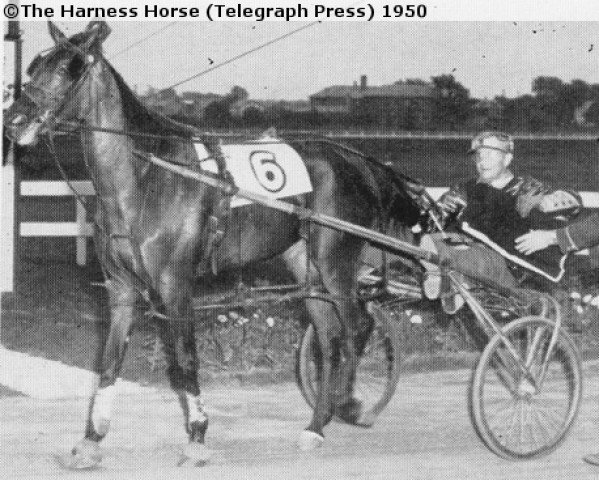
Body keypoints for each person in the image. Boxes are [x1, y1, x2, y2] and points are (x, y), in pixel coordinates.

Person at [421, 131, 582, 309]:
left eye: (490, 154)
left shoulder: (528, 189)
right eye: (478, 156)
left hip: (514, 272)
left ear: (507, 159)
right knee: (433, 242)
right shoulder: (463, 190)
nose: (483, 161)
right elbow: (431, 223)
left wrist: (548, 207)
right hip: (471, 255)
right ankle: (453, 283)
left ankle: (459, 283)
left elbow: (570, 206)